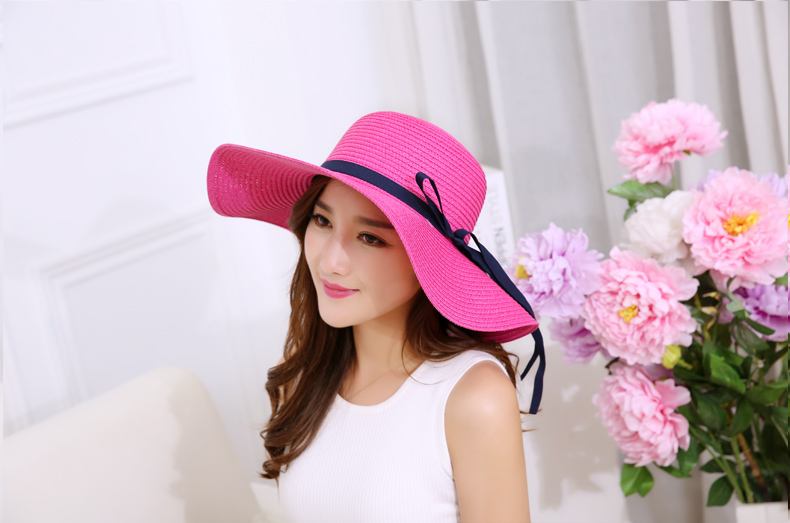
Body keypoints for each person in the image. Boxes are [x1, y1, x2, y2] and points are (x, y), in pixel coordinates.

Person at [206, 111, 545, 523]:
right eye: (322, 220)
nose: (330, 261)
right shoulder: (303, 375)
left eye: (369, 238)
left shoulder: (472, 397)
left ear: (429, 264)